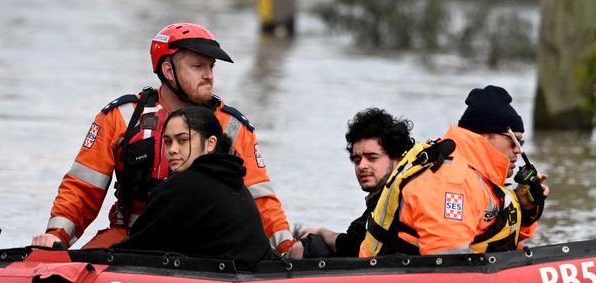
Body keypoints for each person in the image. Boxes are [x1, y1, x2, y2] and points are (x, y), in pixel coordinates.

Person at [31, 23, 294, 253]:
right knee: (79, 270)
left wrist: (287, 247)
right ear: (168, 71)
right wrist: (56, 237)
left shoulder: (233, 127)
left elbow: (260, 199)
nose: (209, 75)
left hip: (204, 244)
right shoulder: (121, 117)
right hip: (131, 236)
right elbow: (82, 187)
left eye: (211, 67)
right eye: (198, 66)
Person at [359, 85, 550, 256]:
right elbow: (448, 260)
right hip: (392, 277)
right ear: (485, 136)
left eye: (521, 142)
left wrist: (525, 209)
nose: (518, 150)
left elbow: (490, 234)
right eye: (514, 141)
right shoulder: (451, 182)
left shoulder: (477, 176)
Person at [112, 106, 274, 270]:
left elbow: (137, 248)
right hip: (256, 276)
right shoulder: (233, 179)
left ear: (210, 143)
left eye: (182, 140)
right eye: (168, 142)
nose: (172, 150)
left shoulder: (181, 187)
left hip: (222, 282)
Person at [296, 108, 415, 257]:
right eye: (357, 160)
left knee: (304, 248)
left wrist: (321, 232)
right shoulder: (383, 200)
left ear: (398, 160)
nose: (362, 166)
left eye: (372, 157)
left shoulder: (402, 199)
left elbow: (351, 245)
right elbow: (356, 240)